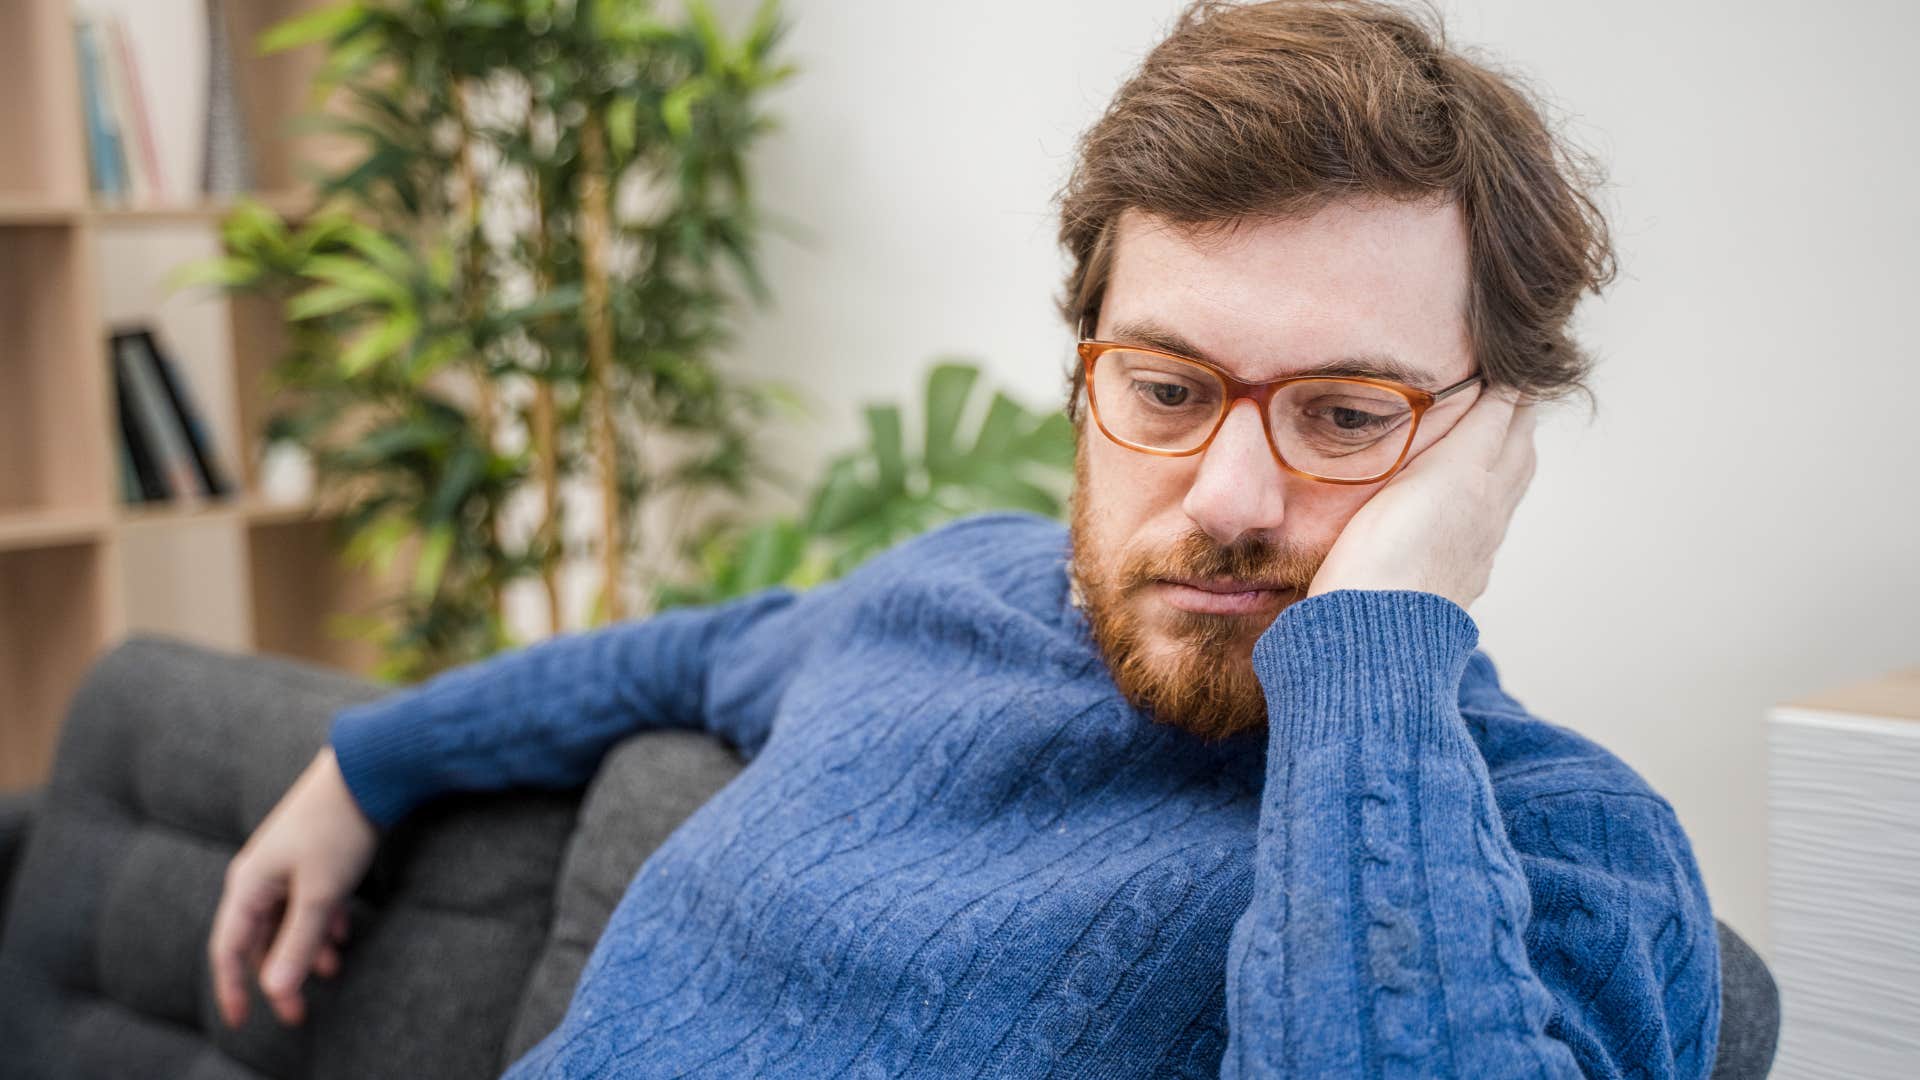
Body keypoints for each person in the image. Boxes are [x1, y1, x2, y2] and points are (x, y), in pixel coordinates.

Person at [209, 1, 1721, 1076]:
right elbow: (685, 653)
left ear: (1487, 446)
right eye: (1168, 388)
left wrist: (1377, 656)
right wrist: (369, 762)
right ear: (1084, 372)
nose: (1231, 497)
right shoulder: (948, 591)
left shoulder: (1574, 850)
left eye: (1345, 414)